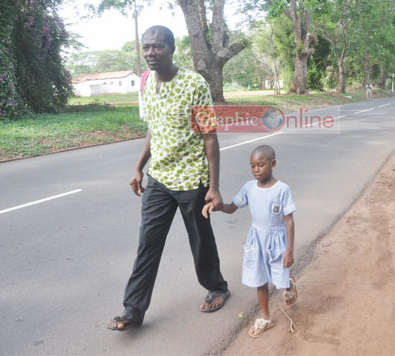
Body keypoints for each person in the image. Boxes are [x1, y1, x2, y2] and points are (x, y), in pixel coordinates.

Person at [108, 25, 230, 331]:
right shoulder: (148, 82)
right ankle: (133, 309)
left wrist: (213, 187)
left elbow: (210, 138)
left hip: (191, 179)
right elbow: (155, 128)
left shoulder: (193, 84)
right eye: (146, 47)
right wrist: (139, 166)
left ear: (172, 49)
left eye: (158, 47)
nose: (151, 53)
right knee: (147, 242)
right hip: (159, 178)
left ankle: (217, 286)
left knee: (200, 240)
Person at [202, 145, 297, 337]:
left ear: (273, 164)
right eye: (252, 165)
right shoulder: (248, 187)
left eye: (260, 165)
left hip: (278, 240)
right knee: (260, 279)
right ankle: (266, 318)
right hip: (256, 241)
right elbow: (232, 207)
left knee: (280, 274)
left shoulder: (282, 189)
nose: (256, 169)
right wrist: (218, 206)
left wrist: (289, 251)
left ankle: (288, 284)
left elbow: (289, 220)